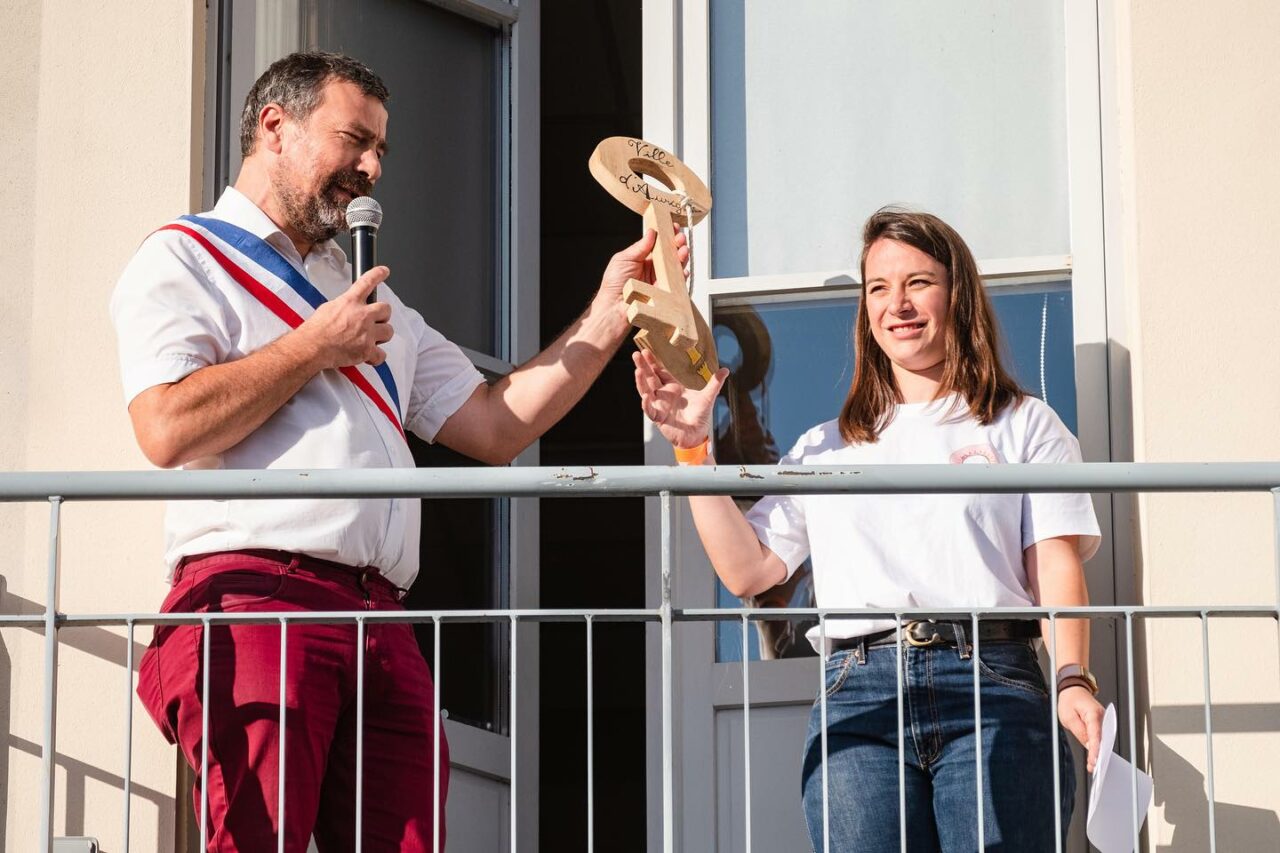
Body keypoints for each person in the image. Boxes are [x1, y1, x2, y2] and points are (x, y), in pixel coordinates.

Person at [111, 51, 679, 851]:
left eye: (381, 149)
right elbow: (165, 427)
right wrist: (313, 346)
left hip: (381, 618)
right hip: (257, 599)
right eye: (355, 140)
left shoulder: (378, 302)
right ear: (276, 126)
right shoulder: (184, 259)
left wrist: (613, 308)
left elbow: (496, 424)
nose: (372, 168)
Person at [633, 207, 1104, 851]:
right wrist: (694, 454)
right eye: (878, 288)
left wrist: (1073, 677)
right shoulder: (824, 447)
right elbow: (750, 570)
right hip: (859, 691)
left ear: (957, 293)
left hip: (993, 680)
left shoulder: (1023, 424)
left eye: (918, 282)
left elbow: (1056, 568)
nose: (898, 304)